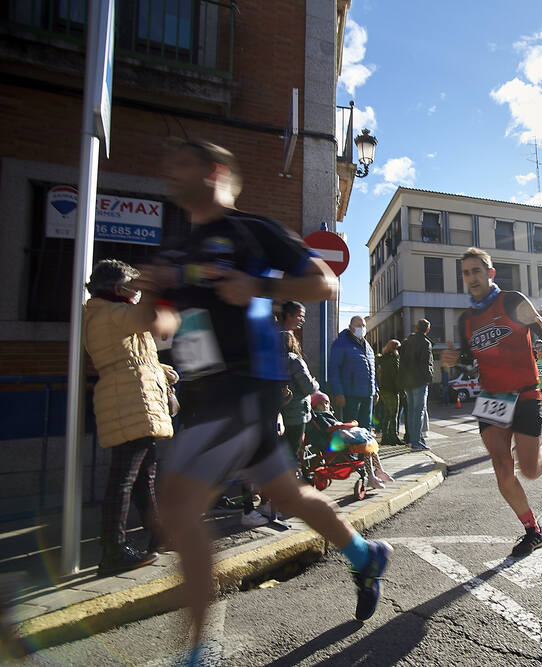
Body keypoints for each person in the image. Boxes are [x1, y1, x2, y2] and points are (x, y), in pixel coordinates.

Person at [142, 140, 390, 659]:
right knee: (293, 496)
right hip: (203, 390)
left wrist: (256, 285)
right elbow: (163, 322)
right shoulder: (177, 251)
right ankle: (364, 555)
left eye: (179, 163)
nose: (167, 171)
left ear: (213, 172)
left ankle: (199, 650)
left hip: (243, 387)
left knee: (178, 508)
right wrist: (153, 300)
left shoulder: (252, 232)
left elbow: (322, 283)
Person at [441, 247, 542, 558]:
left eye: (476, 271)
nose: (471, 277)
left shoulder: (512, 301)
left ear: (490, 273)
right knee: (502, 467)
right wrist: (455, 360)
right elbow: (470, 363)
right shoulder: (466, 320)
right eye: (466, 273)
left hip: (525, 394)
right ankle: (533, 531)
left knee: (530, 470)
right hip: (492, 400)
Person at [83, 259, 173, 574]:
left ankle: (159, 535)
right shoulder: (111, 313)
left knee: (142, 474)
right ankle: (113, 551)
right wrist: (153, 286)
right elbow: (145, 317)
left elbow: (129, 354)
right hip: (129, 402)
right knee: (124, 477)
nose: (137, 294)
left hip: (135, 401)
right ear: (119, 289)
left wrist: (161, 370)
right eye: (133, 288)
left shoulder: (110, 314)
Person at [329, 315, 377, 429]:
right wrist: (338, 393)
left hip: (368, 394)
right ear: (350, 327)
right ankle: (351, 447)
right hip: (350, 395)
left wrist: (375, 390)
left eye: (363, 326)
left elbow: (372, 369)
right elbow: (334, 369)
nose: (362, 328)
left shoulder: (367, 346)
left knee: (366, 427)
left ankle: (365, 447)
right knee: (351, 429)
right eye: (358, 326)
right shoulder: (341, 343)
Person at [279, 330, 319, 464]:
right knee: (292, 452)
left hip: (279, 413)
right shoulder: (294, 360)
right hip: (296, 413)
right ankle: (293, 480)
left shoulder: (271, 360)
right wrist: (315, 383)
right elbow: (308, 387)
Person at [399, 319, 434, 451]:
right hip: (419, 381)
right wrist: (428, 378)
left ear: (416, 327)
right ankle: (416, 442)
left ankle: (411, 440)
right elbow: (426, 363)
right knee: (418, 411)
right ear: (427, 330)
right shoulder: (425, 343)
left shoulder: (406, 342)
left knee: (411, 411)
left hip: (408, 381)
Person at [375, 339, 403, 445]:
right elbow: (396, 375)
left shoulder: (382, 358)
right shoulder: (394, 358)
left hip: (383, 389)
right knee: (393, 414)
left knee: (387, 413)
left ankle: (385, 437)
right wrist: (401, 390)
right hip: (392, 389)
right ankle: (393, 437)